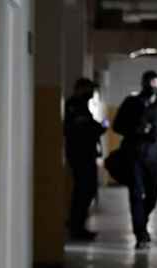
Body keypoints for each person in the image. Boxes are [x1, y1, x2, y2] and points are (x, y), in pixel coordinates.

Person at [113, 70, 157, 249]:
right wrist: (136, 129)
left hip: (153, 158)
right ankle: (140, 234)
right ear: (143, 84)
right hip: (133, 156)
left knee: (153, 195)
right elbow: (117, 126)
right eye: (150, 83)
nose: (153, 87)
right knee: (135, 194)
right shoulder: (131, 102)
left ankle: (141, 221)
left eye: (156, 83)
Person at [64, 78, 107, 241]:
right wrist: (100, 127)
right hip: (80, 155)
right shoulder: (73, 106)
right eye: (89, 90)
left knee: (86, 191)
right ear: (80, 89)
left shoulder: (82, 106)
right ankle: (76, 226)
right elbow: (84, 129)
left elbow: (90, 126)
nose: (91, 93)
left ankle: (77, 224)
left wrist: (99, 127)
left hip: (86, 155)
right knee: (83, 191)